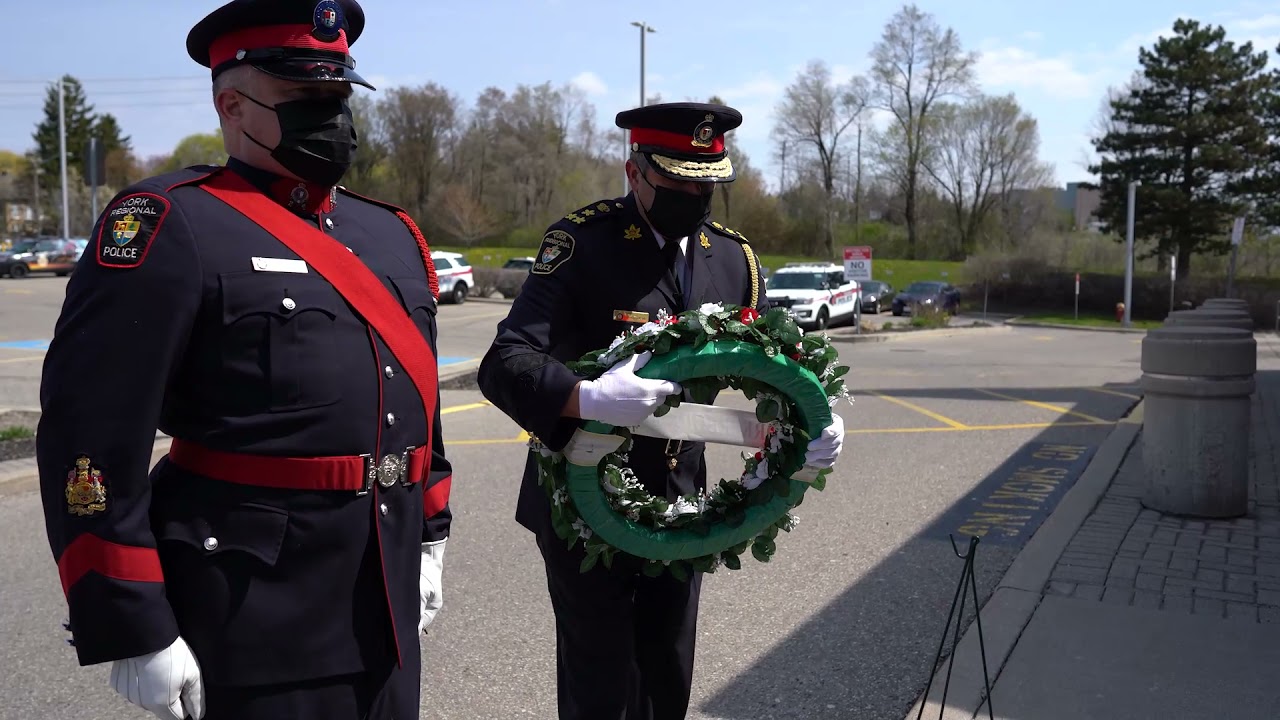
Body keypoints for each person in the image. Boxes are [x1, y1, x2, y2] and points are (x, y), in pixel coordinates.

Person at [36, 1, 453, 718]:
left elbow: (414, 401)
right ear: (233, 104)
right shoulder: (172, 223)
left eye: (338, 97)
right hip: (255, 617)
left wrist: (430, 534)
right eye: (305, 98)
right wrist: (132, 621)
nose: (333, 117)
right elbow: (91, 436)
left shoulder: (390, 234)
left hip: (384, 603)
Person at [476, 102, 846, 719]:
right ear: (635, 173)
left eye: (708, 185)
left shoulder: (734, 259)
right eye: (678, 181)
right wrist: (584, 398)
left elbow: (772, 366)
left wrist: (815, 416)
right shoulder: (582, 243)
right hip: (580, 498)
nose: (695, 197)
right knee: (601, 682)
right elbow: (504, 360)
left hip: (679, 497)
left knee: (668, 671)